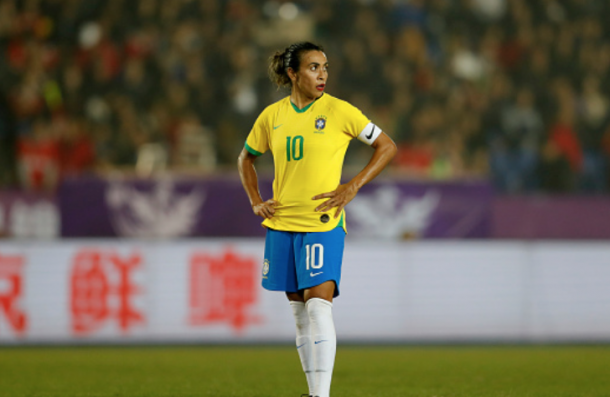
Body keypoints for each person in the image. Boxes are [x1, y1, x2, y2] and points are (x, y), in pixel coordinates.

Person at [237, 42, 396, 397]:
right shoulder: (271, 116)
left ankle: (321, 395)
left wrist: (352, 185)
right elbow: (245, 158)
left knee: (319, 307)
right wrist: (255, 201)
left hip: (323, 223)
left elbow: (387, 145)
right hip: (281, 225)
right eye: (313, 67)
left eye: (325, 67)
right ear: (292, 74)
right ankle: (313, 391)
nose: (322, 74)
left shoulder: (341, 112)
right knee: (299, 315)